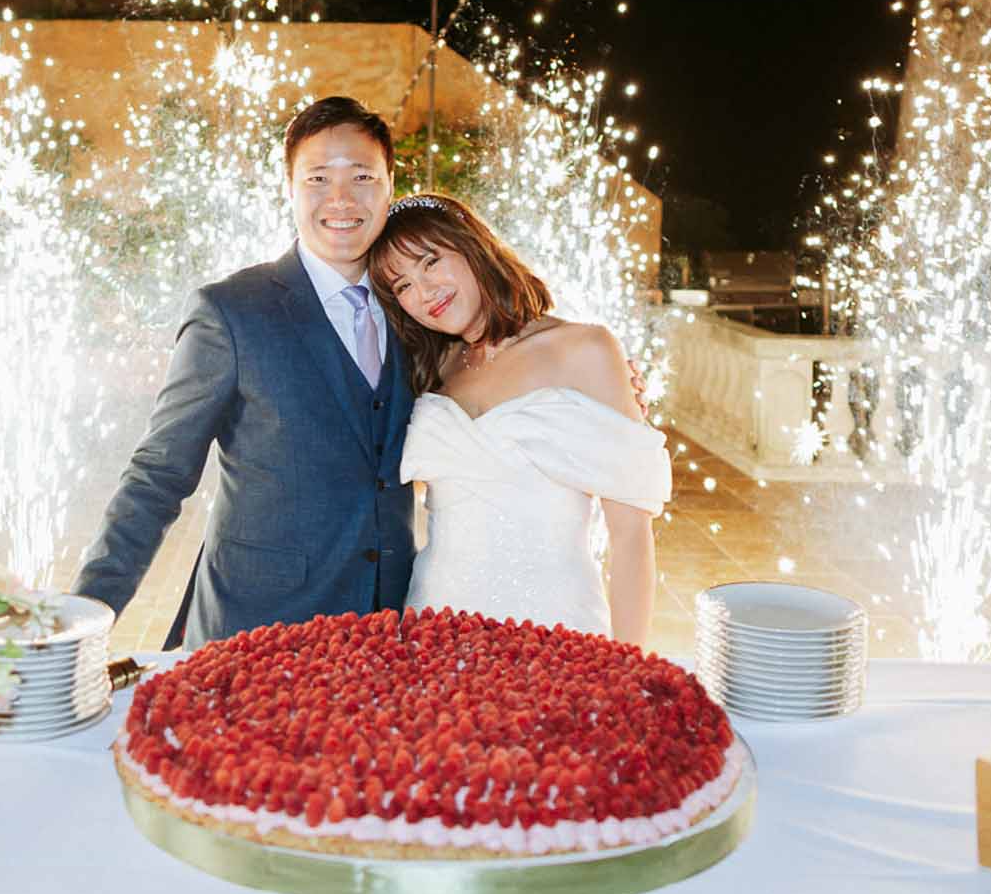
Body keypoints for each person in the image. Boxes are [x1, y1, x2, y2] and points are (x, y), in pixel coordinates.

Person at [71, 97, 416, 649]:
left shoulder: (415, 309)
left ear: (391, 186)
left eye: (363, 177)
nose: (342, 199)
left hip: (384, 634)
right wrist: (84, 616)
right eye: (318, 178)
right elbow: (158, 474)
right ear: (290, 191)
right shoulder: (230, 311)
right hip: (256, 628)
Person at [367, 193, 670, 646]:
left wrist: (630, 666)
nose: (423, 292)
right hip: (433, 627)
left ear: (473, 246)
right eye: (403, 286)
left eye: (430, 262)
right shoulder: (427, 368)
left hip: (554, 626)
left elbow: (630, 537)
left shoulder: (584, 349)